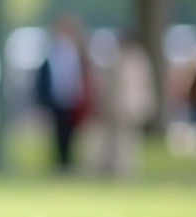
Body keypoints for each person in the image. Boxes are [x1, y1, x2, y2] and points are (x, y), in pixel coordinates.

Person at [93, 30, 157, 178]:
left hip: (131, 106)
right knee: (119, 140)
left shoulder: (137, 59)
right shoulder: (120, 59)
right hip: (119, 106)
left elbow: (145, 85)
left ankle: (125, 169)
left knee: (129, 141)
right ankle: (117, 168)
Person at [34, 15, 92, 174]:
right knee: (57, 134)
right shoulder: (52, 53)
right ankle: (60, 164)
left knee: (72, 134)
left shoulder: (76, 53)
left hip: (73, 100)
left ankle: (69, 163)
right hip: (56, 99)